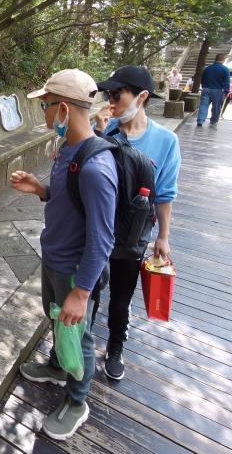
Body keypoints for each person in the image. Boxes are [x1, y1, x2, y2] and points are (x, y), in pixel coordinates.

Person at [10, 69, 117, 441]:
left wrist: (82, 292)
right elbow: (70, 199)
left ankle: (77, 400)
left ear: (65, 109)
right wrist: (41, 189)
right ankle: (58, 367)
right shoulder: (69, 149)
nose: (43, 112)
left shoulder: (97, 168)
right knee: (57, 322)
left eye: (46, 105)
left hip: (75, 269)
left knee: (78, 336)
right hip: (55, 257)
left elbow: (102, 239)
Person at [93, 66, 181, 381]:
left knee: (121, 296)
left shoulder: (165, 141)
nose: (110, 101)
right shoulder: (103, 129)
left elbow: (165, 194)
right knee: (88, 288)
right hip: (97, 227)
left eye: (117, 95)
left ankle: (115, 346)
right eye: (108, 94)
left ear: (142, 97)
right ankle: (81, 344)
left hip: (133, 233)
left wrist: (163, 236)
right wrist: (98, 134)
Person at [197, 53, 231, 129]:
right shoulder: (225, 69)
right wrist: (227, 91)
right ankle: (214, 120)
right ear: (223, 60)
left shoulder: (207, 68)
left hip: (206, 88)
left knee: (204, 105)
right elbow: (226, 81)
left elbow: (202, 79)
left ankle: (200, 120)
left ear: (215, 59)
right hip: (217, 89)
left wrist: (204, 86)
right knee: (216, 106)